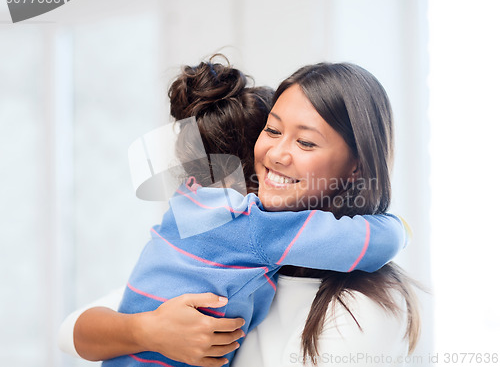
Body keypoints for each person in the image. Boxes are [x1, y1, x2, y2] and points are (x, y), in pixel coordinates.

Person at [59, 61, 419, 367]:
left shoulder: (194, 205)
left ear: (356, 166)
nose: (277, 153)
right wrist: (148, 330)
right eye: (273, 130)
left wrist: (142, 331)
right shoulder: (250, 232)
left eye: (306, 142)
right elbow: (72, 330)